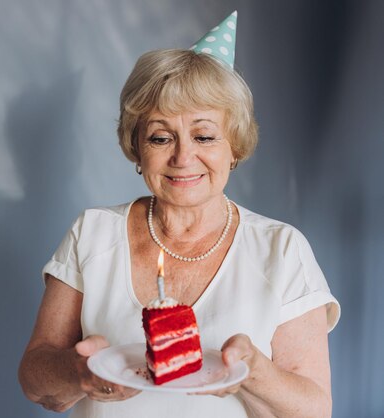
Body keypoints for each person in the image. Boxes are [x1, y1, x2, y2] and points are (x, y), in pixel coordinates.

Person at [18, 11, 340, 418]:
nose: (183, 157)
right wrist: (77, 372)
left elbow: (315, 409)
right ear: (137, 148)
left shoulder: (282, 249)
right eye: (160, 137)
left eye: (204, 135)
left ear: (235, 147)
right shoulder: (93, 233)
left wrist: (254, 372)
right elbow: (34, 379)